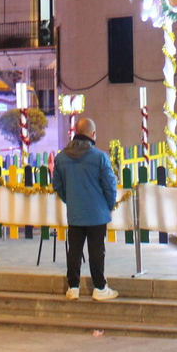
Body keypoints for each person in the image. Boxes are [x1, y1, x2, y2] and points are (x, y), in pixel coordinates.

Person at [51, 117, 119, 301]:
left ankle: (73, 287)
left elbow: (57, 184)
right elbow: (110, 185)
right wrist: (108, 205)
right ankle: (99, 287)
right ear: (92, 134)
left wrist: (70, 199)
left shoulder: (61, 158)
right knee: (97, 251)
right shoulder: (99, 157)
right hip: (97, 213)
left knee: (74, 250)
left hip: (75, 213)